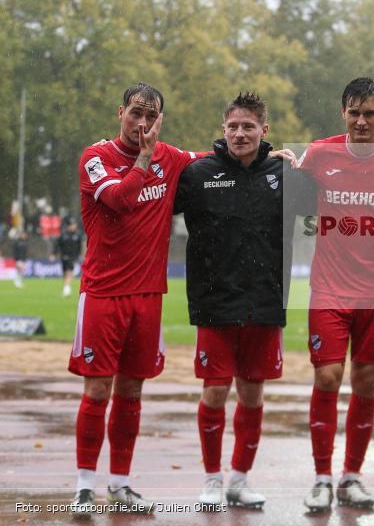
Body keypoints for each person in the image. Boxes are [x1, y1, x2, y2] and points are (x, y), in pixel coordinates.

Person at [68, 83, 204, 517]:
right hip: (103, 294)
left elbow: (213, 162)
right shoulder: (95, 157)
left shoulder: (172, 157)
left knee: (131, 391)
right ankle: (84, 486)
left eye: (151, 116)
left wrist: (264, 154)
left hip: (148, 296)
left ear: (160, 119)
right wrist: (145, 158)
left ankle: (121, 483)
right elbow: (121, 200)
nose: (142, 124)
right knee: (97, 390)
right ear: (120, 112)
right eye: (136, 113)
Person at [296, 77, 374, 512]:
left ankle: (352, 476)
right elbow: (284, 184)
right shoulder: (319, 153)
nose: (361, 121)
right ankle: (322, 476)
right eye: (353, 112)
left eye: (369, 113)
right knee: (327, 377)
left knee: (366, 381)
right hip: (328, 287)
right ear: (342, 113)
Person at [174, 92, 295, 510]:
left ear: (265, 130)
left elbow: (333, 197)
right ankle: (211, 479)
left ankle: (240, 480)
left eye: (249, 126)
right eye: (233, 127)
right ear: (223, 131)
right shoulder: (198, 174)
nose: (240, 133)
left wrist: (302, 160)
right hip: (214, 305)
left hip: (265, 303)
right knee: (214, 392)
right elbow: (149, 210)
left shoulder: (285, 173)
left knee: (253, 394)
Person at [56, 218, 83, 297]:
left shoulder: (77, 235)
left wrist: (79, 255)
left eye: (74, 225)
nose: (74, 226)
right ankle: (67, 287)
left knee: (69, 271)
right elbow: (58, 245)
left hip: (73, 257)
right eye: (72, 225)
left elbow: (80, 246)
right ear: (68, 226)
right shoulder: (63, 235)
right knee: (65, 272)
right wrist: (54, 253)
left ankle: (67, 289)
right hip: (64, 256)